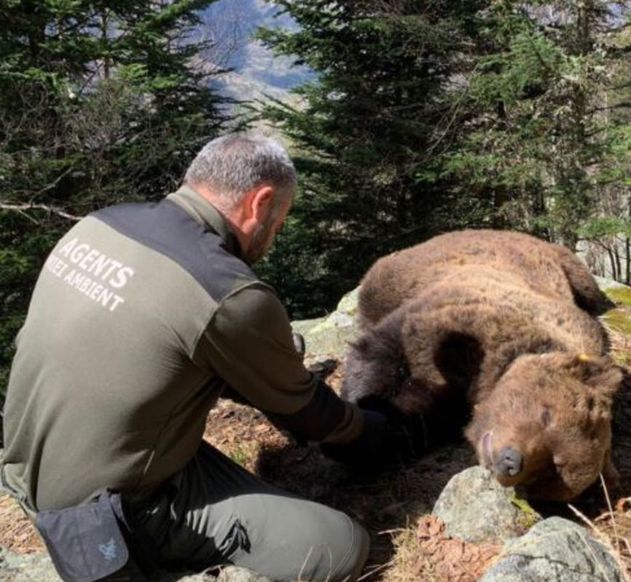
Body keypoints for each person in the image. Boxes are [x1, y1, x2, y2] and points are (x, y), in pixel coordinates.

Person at [1, 133, 386, 581]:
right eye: (280, 222)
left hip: (26, 463)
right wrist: (376, 433)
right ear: (260, 203)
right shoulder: (226, 289)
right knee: (339, 545)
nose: (275, 236)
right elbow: (307, 412)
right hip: (101, 516)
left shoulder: (100, 223)